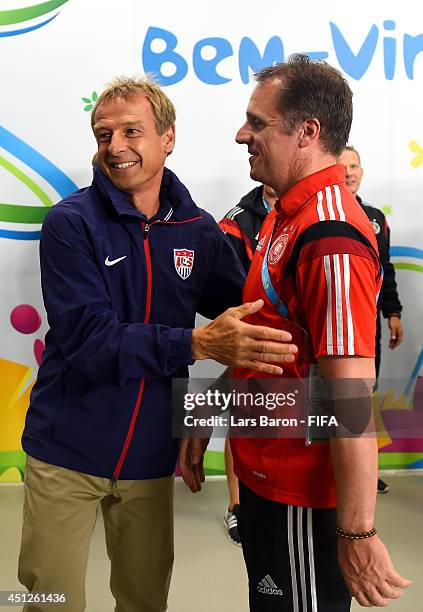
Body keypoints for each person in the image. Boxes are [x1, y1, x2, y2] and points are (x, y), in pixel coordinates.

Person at [17, 76, 298, 612]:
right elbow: (88, 339)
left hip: (149, 456)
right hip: (66, 451)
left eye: (132, 131)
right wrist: (197, 345)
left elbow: (245, 316)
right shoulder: (69, 224)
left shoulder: (197, 230)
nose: (115, 147)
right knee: (48, 599)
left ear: (168, 138)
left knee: (145, 600)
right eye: (104, 135)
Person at [213, 56, 409, 610]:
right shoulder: (283, 215)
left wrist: (357, 533)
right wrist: (204, 420)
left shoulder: (331, 237)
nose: (241, 134)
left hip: (297, 494)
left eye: (257, 122)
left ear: (307, 133)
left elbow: (348, 394)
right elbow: (261, 341)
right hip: (261, 478)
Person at [339, 145, 404, 494]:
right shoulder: (322, 213)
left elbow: (385, 269)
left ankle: (364, 471)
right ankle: (332, 469)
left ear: (362, 171)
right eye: (343, 165)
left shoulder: (376, 218)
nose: (349, 172)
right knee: (334, 394)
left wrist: (393, 312)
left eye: (355, 165)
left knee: (366, 391)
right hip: (332, 325)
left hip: (367, 325)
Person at [219, 184, 278, 545]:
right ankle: (237, 505)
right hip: (251, 339)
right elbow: (228, 289)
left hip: (294, 349)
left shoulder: (313, 211)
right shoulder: (237, 221)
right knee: (243, 419)